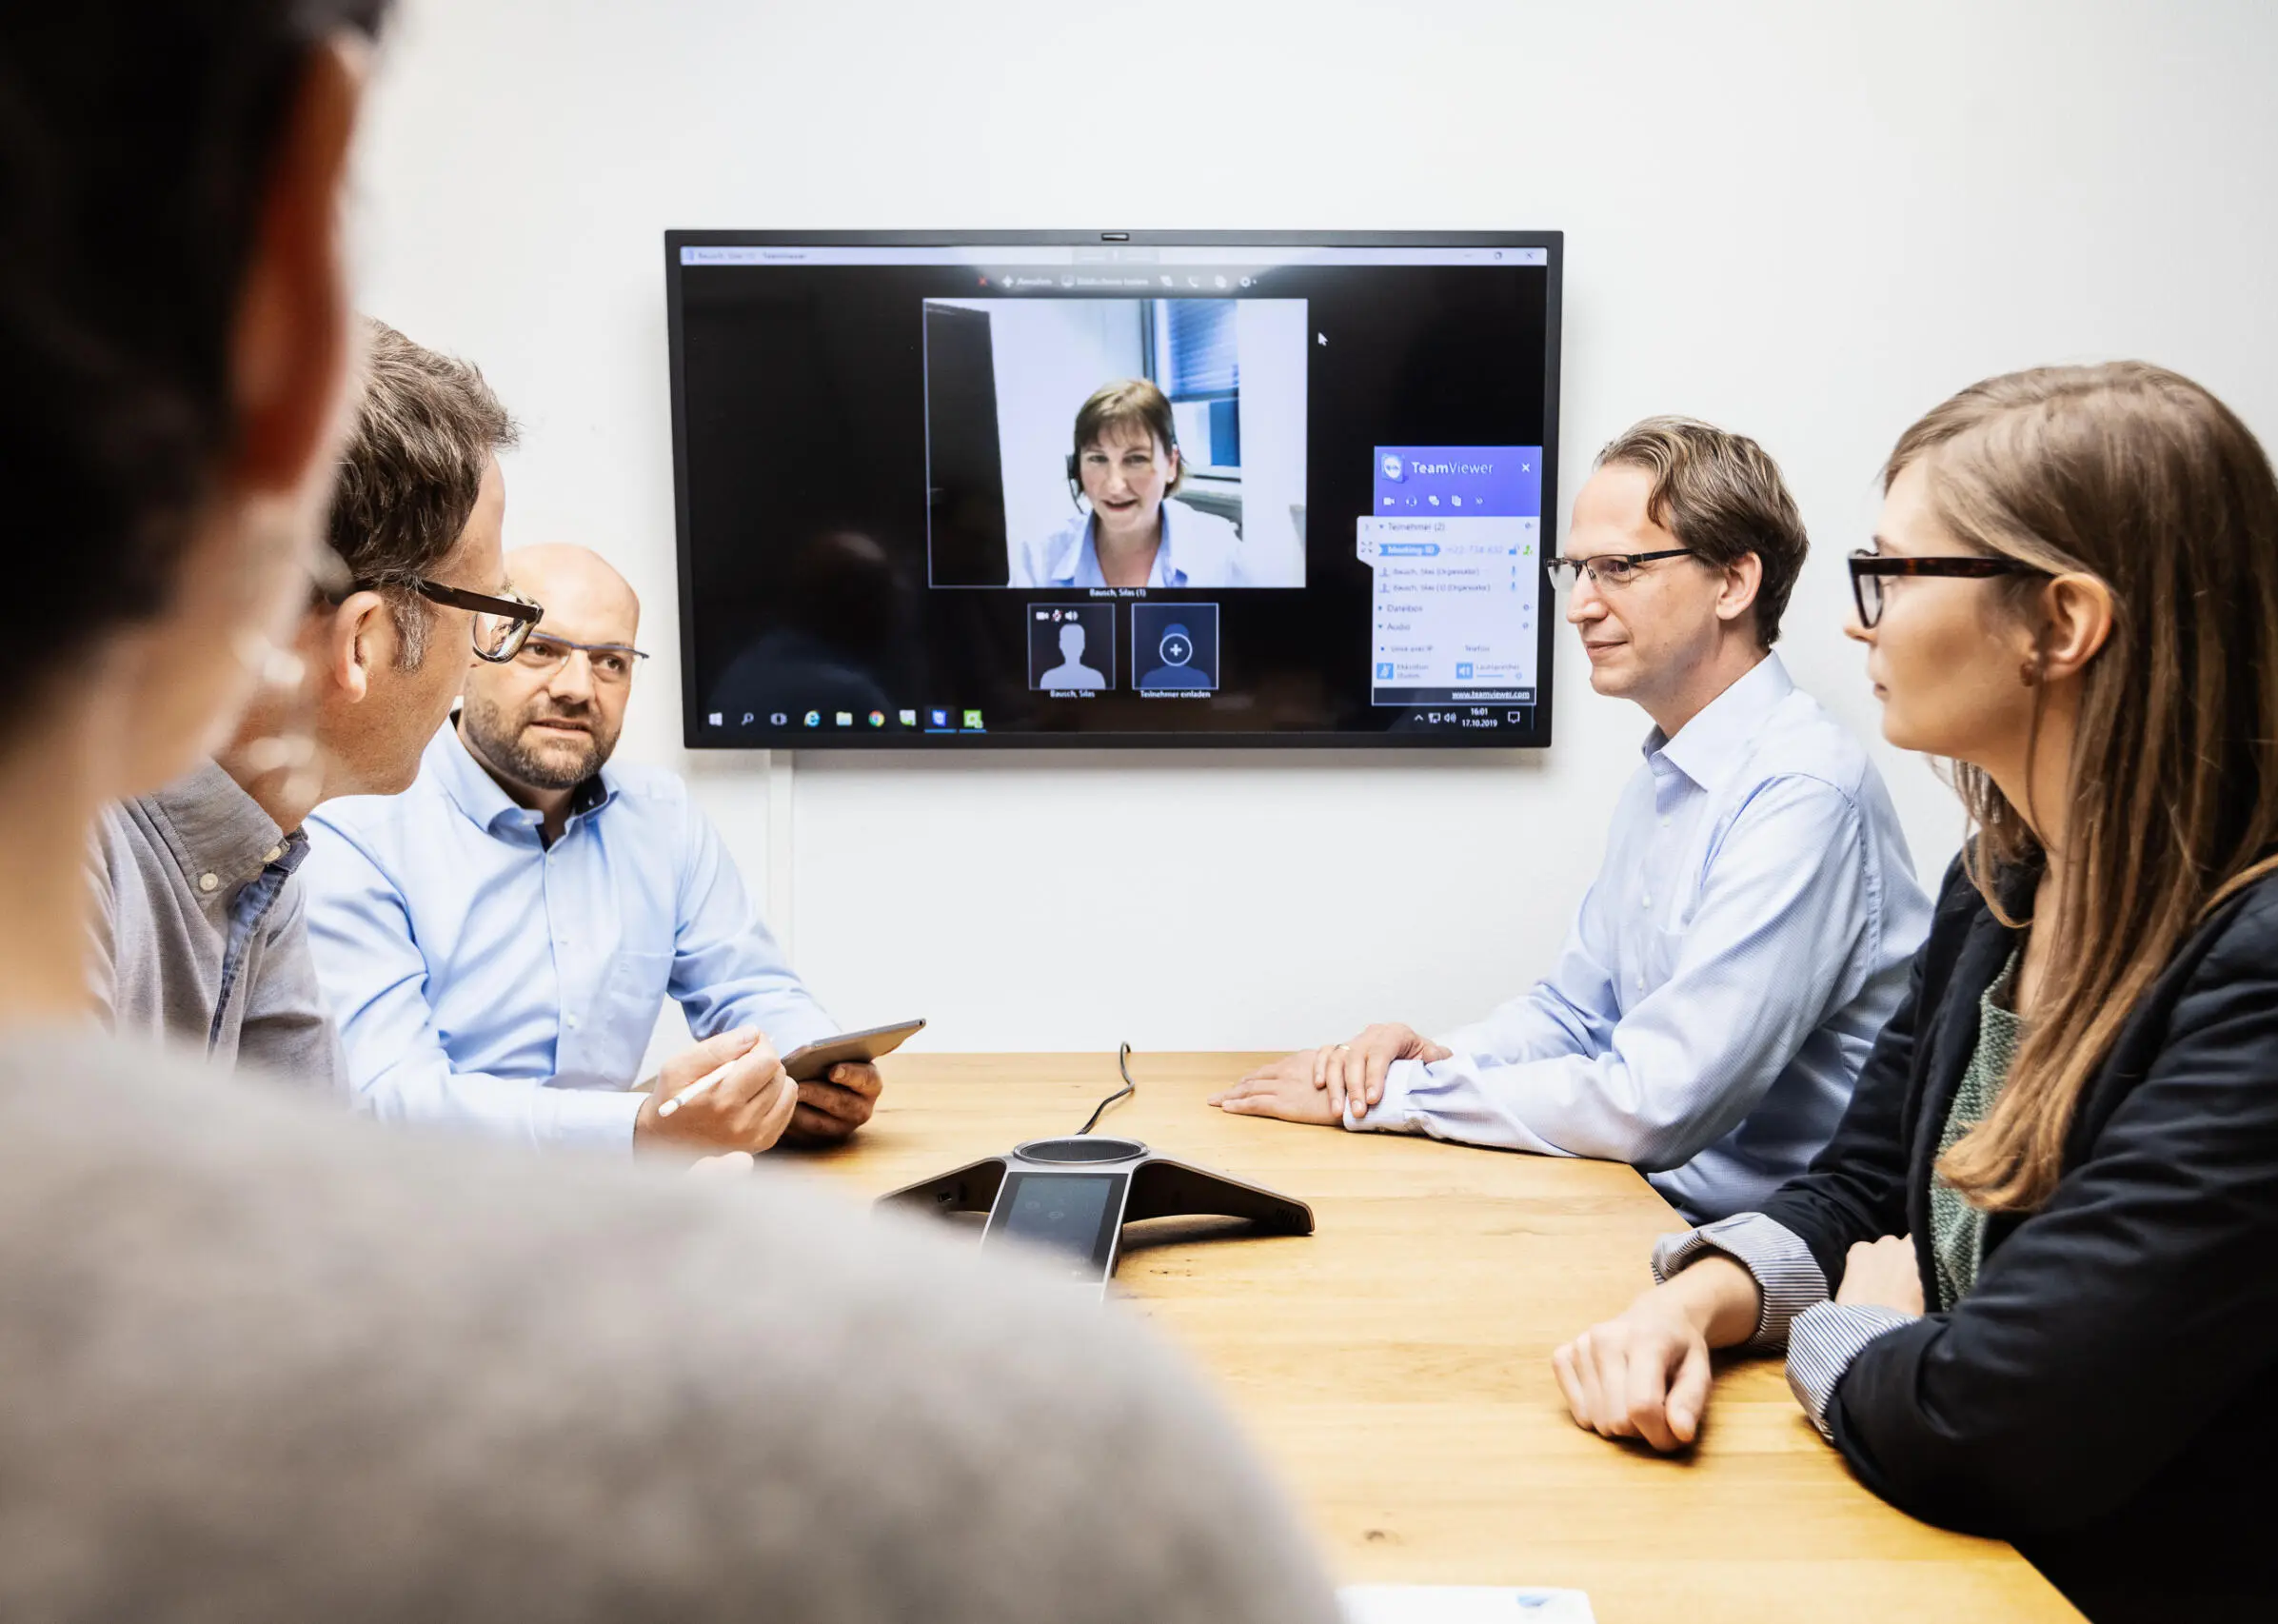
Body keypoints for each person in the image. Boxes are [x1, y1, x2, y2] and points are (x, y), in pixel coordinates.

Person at [0, 7, 1338, 1620]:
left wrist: (787, 1060)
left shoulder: (283, 843)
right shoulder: (1065, 1468)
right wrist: (657, 1153)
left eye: (610, 660)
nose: (565, 680)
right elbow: (363, 1146)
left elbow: (327, 1168)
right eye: (512, 624)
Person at [1552, 364, 2278, 1621]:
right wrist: (1696, 1300)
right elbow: (1860, 1184)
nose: (1861, 622)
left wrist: (1850, 1338)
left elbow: (2006, 1416)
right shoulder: (2004, 880)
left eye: (1896, 575)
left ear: (2061, 623)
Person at [1213, 419, 1931, 1222]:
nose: (1580, 607)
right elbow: (1578, 1016)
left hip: (1761, 1252)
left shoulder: (1802, 791)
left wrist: (1395, 1099)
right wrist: (1423, 1056)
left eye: (1619, 568)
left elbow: (1657, 1104)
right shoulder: (1671, 772)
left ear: (1734, 583)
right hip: (1638, 1204)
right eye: (1575, 570)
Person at [86, 317, 537, 1088]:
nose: (480, 657)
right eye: (487, 613)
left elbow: (304, 1180)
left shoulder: (255, 849)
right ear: (364, 640)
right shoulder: (63, 855)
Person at [307, 542, 873, 1156]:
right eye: (541, 649)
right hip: (426, 1211)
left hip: (613, 1208)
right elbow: (392, 1098)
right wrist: (640, 1128)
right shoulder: (356, 826)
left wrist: (817, 1068)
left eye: (610, 662)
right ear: (471, 652)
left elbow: (750, 991)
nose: (578, 689)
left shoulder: (661, 816)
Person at [1009, 379, 1250, 588]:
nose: (1114, 486)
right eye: (1097, 459)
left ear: (1171, 464)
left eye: (1136, 459)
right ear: (1077, 468)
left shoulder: (1221, 553)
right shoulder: (1040, 560)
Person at [1041, 620, 1107, 688]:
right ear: (1061, 645)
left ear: (1083, 645)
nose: (1072, 646)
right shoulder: (1049, 679)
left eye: (1076, 641)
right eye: (1068, 641)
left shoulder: (1096, 679)